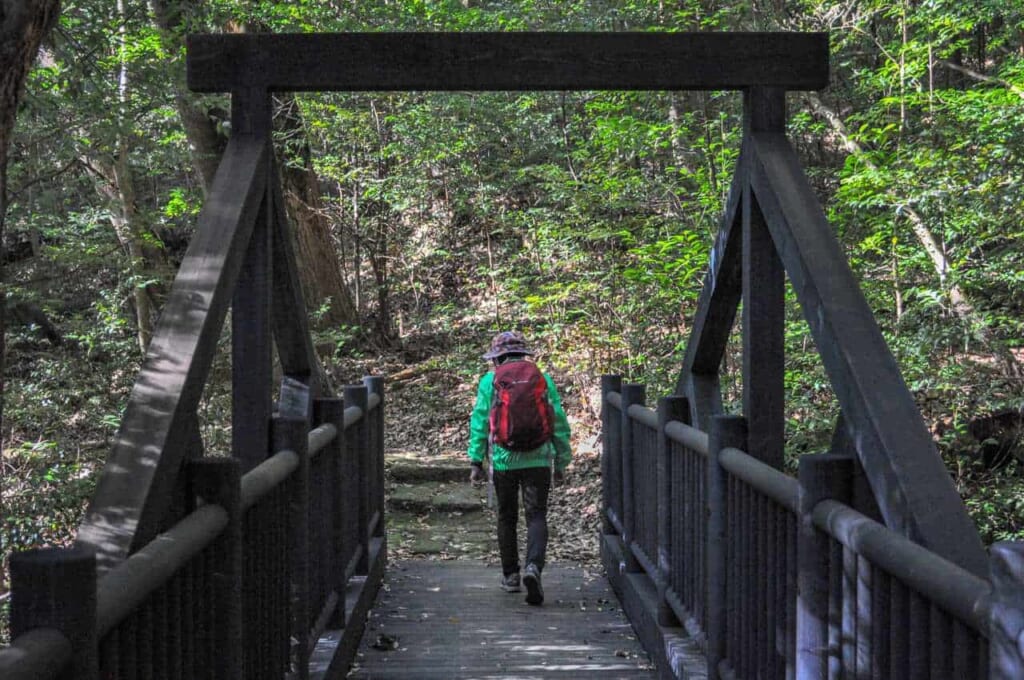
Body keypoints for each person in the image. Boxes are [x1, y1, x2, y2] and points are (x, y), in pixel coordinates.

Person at [467, 331, 571, 605]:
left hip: (504, 460)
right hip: (538, 459)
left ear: (497, 358)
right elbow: (557, 420)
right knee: (536, 516)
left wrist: (476, 461)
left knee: (507, 517)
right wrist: (561, 460)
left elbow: (480, 422)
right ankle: (534, 567)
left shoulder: (490, 381)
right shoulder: (542, 378)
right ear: (524, 354)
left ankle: (511, 576)